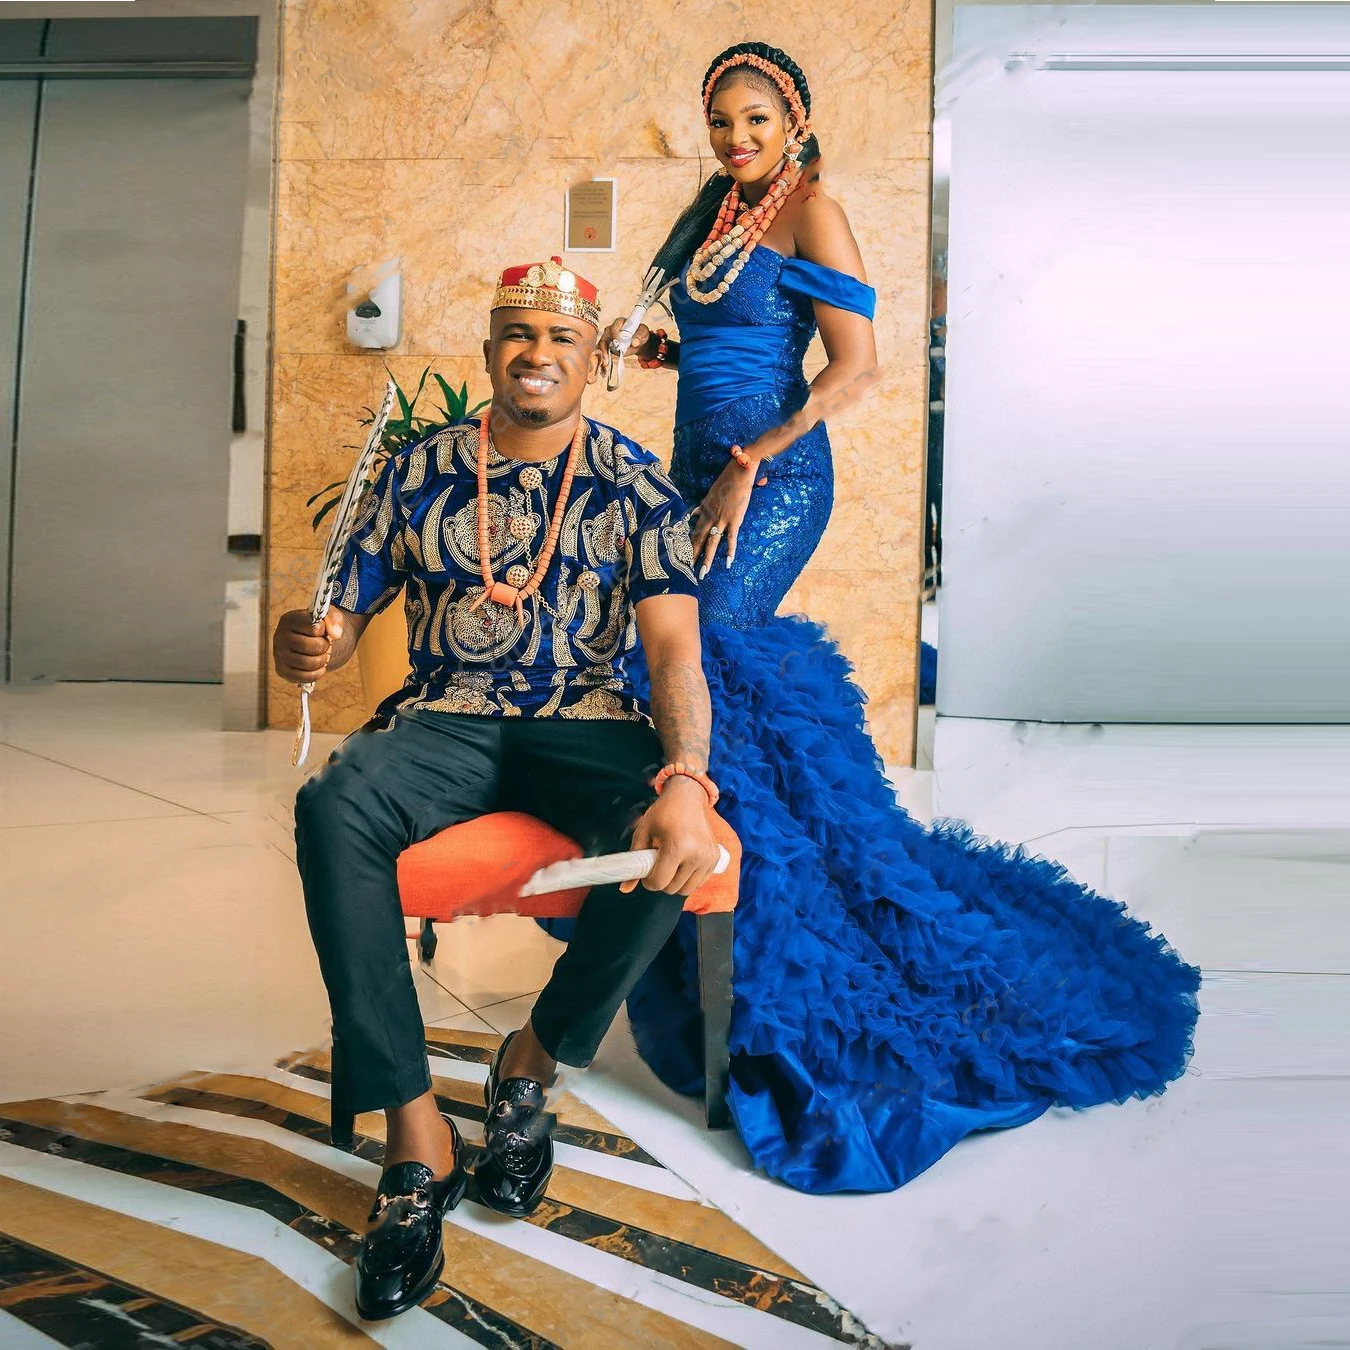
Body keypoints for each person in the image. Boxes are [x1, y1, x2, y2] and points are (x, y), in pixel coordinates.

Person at [602, 42, 1201, 1195]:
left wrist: (751, 463)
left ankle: (790, 923)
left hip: (771, 481)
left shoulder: (812, 210)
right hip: (696, 472)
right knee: (681, 667)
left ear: (795, 121)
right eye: (722, 120)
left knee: (707, 657)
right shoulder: (715, 214)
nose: (737, 137)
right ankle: (705, 908)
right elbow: (733, 340)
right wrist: (659, 348)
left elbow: (856, 368)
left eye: (757, 119)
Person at [274, 257, 722, 1321]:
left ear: (590, 359)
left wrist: (687, 779)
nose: (538, 354)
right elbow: (345, 613)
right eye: (519, 334)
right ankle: (414, 1132)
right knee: (333, 806)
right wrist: (314, 641)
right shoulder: (419, 470)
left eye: (561, 338)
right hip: (446, 714)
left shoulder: (634, 483)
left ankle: (534, 1056)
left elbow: (673, 653)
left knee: (669, 841)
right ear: (489, 351)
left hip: (588, 723)